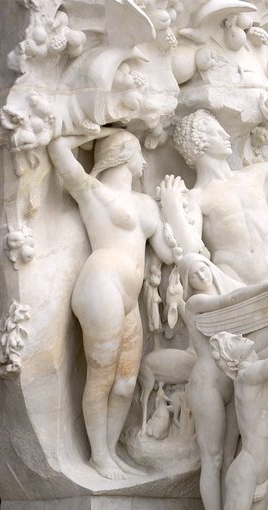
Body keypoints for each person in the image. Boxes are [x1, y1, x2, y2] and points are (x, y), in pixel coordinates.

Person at [47, 129, 173, 480]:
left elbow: (165, 251)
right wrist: (97, 131)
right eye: (137, 152)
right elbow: (58, 149)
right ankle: (97, 455)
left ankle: (111, 451)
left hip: (129, 296)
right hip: (100, 284)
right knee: (101, 376)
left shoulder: (146, 204)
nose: (145, 160)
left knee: (126, 383)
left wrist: (176, 209)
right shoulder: (92, 191)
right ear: (121, 154)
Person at [151, 331, 268, 510]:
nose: (241, 337)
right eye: (234, 341)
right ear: (234, 359)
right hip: (246, 473)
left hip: (264, 478)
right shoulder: (247, 377)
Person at [162, 99, 268, 285]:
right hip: (231, 284)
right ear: (199, 141)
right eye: (218, 132)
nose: (227, 135)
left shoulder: (258, 175)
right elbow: (189, 252)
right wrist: (172, 207)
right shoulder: (198, 197)